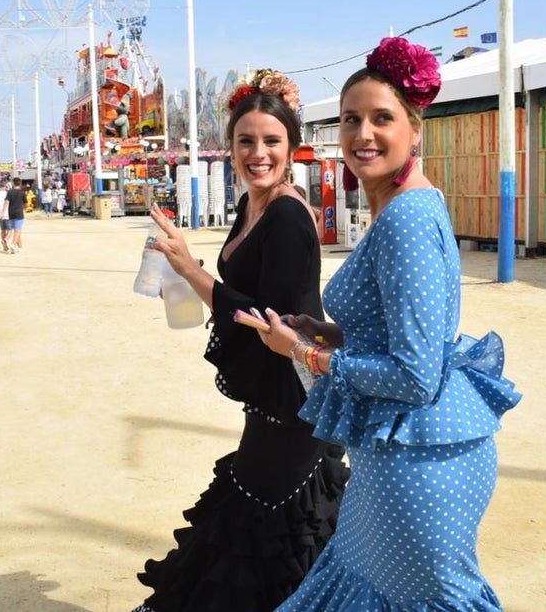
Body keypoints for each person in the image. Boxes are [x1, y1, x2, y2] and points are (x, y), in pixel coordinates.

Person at [255, 38, 521, 611]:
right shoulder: (402, 207)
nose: (362, 134)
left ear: (415, 129)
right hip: (405, 453)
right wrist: (325, 334)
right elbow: (401, 335)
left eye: (382, 118)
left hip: (419, 465)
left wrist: (304, 355)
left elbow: (415, 375)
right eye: (351, 119)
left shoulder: (406, 217)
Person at [133, 68, 348, 612]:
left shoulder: (287, 216)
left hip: (295, 399)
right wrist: (190, 276)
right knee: (270, 525)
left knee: (260, 526)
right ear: (228, 147)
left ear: (292, 146)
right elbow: (243, 292)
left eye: (272, 141)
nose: (258, 153)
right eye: (245, 141)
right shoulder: (252, 204)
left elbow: (269, 317)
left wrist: (194, 272)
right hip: (275, 399)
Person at [3, 177, 26, 253]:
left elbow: (6, 202)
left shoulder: (9, 192)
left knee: (17, 230)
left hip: (11, 213)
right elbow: (26, 203)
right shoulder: (22, 192)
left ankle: (20, 248)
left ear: (13, 183)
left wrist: (3, 213)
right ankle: (13, 245)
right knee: (17, 230)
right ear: (20, 183)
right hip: (19, 213)